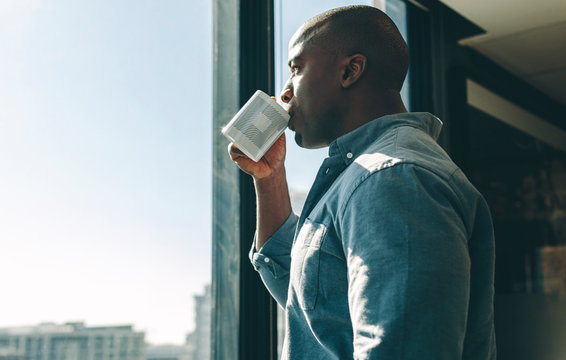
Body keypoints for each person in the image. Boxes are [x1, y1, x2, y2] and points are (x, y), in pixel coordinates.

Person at [228, 5, 496, 360]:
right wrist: (270, 178)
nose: (286, 91)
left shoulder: (392, 178)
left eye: (296, 68)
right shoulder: (367, 175)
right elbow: (311, 302)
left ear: (351, 70)